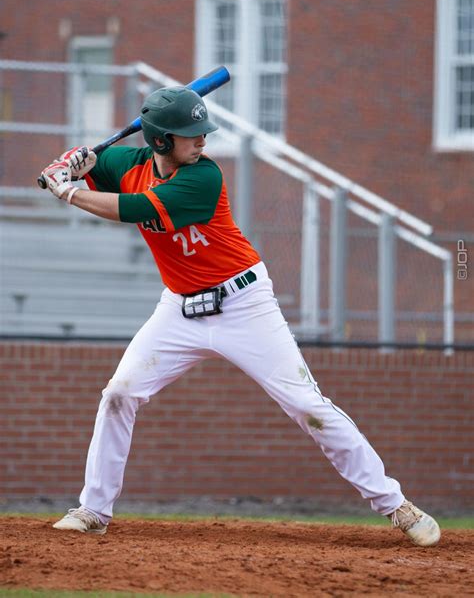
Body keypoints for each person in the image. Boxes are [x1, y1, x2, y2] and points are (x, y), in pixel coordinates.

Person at [41, 86, 440, 546]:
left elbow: (134, 210)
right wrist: (71, 162)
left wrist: (68, 192)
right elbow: (87, 167)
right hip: (179, 308)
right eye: (190, 135)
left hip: (243, 304)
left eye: (202, 132)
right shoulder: (127, 165)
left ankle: (397, 506)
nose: (203, 140)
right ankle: (93, 509)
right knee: (119, 394)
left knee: (308, 407)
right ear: (160, 141)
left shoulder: (204, 177)